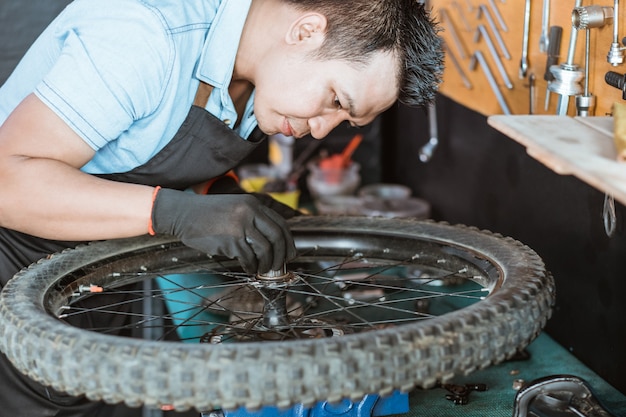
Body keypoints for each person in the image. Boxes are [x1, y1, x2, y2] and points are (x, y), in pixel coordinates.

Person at [0, 0, 444, 415]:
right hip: (12, 275)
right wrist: (176, 214)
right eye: (335, 101)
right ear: (307, 31)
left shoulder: (258, 77)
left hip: (104, 274)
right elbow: (8, 184)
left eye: (346, 121)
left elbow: (154, 154)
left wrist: (222, 198)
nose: (324, 128)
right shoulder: (145, 36)